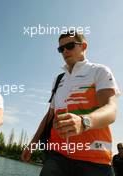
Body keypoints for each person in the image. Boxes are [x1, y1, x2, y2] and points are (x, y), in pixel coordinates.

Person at [21, 31, 120, 176]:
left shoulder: (99, 71)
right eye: (61, 49)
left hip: (93, 160)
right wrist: (32, 143)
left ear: (83, 46)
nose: (65, 51)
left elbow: (111, 110)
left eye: (70, 46)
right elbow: (49, 115)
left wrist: (84, 121)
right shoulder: (59, 79)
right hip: (56, 157)